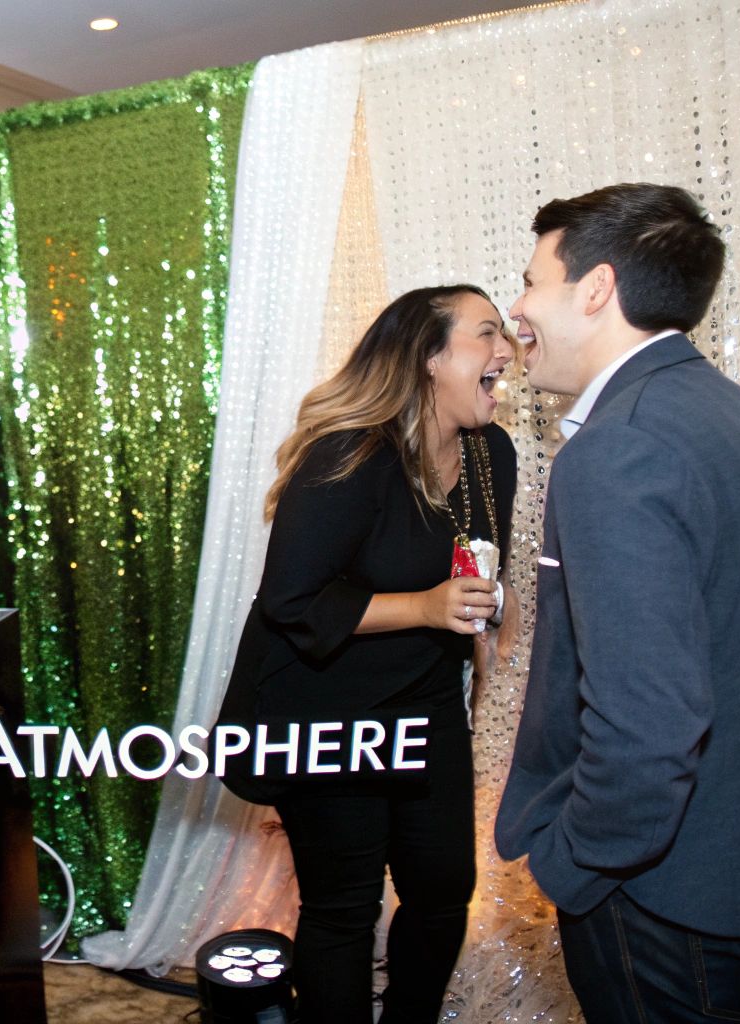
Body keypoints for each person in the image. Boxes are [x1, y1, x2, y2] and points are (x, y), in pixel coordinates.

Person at [493, 183, 740, 1024]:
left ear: (595, 290)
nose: (517, 307)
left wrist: (579, 864)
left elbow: (648, 721)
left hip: (669, 889)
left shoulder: (620, 447)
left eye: (531, 279)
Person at [217, 285, 519, 1022]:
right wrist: (424, 607)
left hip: (425, 702)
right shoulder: (348, 456)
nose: (505, 351)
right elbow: (292, 600)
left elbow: (472, 568)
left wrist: (484, 617)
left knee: (445, 892)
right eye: (485, 334)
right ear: (428, 358)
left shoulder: (491, 455)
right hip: (324, 705)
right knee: (344, 910)